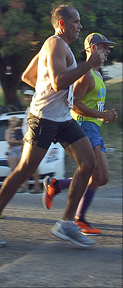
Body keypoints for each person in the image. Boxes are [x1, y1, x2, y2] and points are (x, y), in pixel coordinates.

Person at [0, 4, 105, 248]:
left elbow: (28, 76)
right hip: (43, 119)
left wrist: (44, 87)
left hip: (63, 118)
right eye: (77, 22)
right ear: (63, 24)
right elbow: (58, 83)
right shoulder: (56, 44)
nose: (80, 26)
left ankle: (66, 223)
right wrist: (88, 64)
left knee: (88, 163)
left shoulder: (55, 45)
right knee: (24, 170)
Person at [42, 33, 117, 235]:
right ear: (92, 49)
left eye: (108, 48)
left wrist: (104, 115)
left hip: (94, 128)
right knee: (97, 174)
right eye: (103, 47)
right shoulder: (85, 74)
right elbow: (73, 104)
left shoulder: (98, 75)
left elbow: (91, 104)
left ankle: (58, 185)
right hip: (84, 126)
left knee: (102, 178)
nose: (108, 51)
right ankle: (78, 218)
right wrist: (101, 114)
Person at [20, 89, 41, 194]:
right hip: (26, 140)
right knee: (26, 164)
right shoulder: (27, 109)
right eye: (26, 96)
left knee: (32, 164)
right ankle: (25, 185)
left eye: (29, 96)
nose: (27, 98)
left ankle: (36, 186)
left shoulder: (34, 108)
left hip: (32, 140)